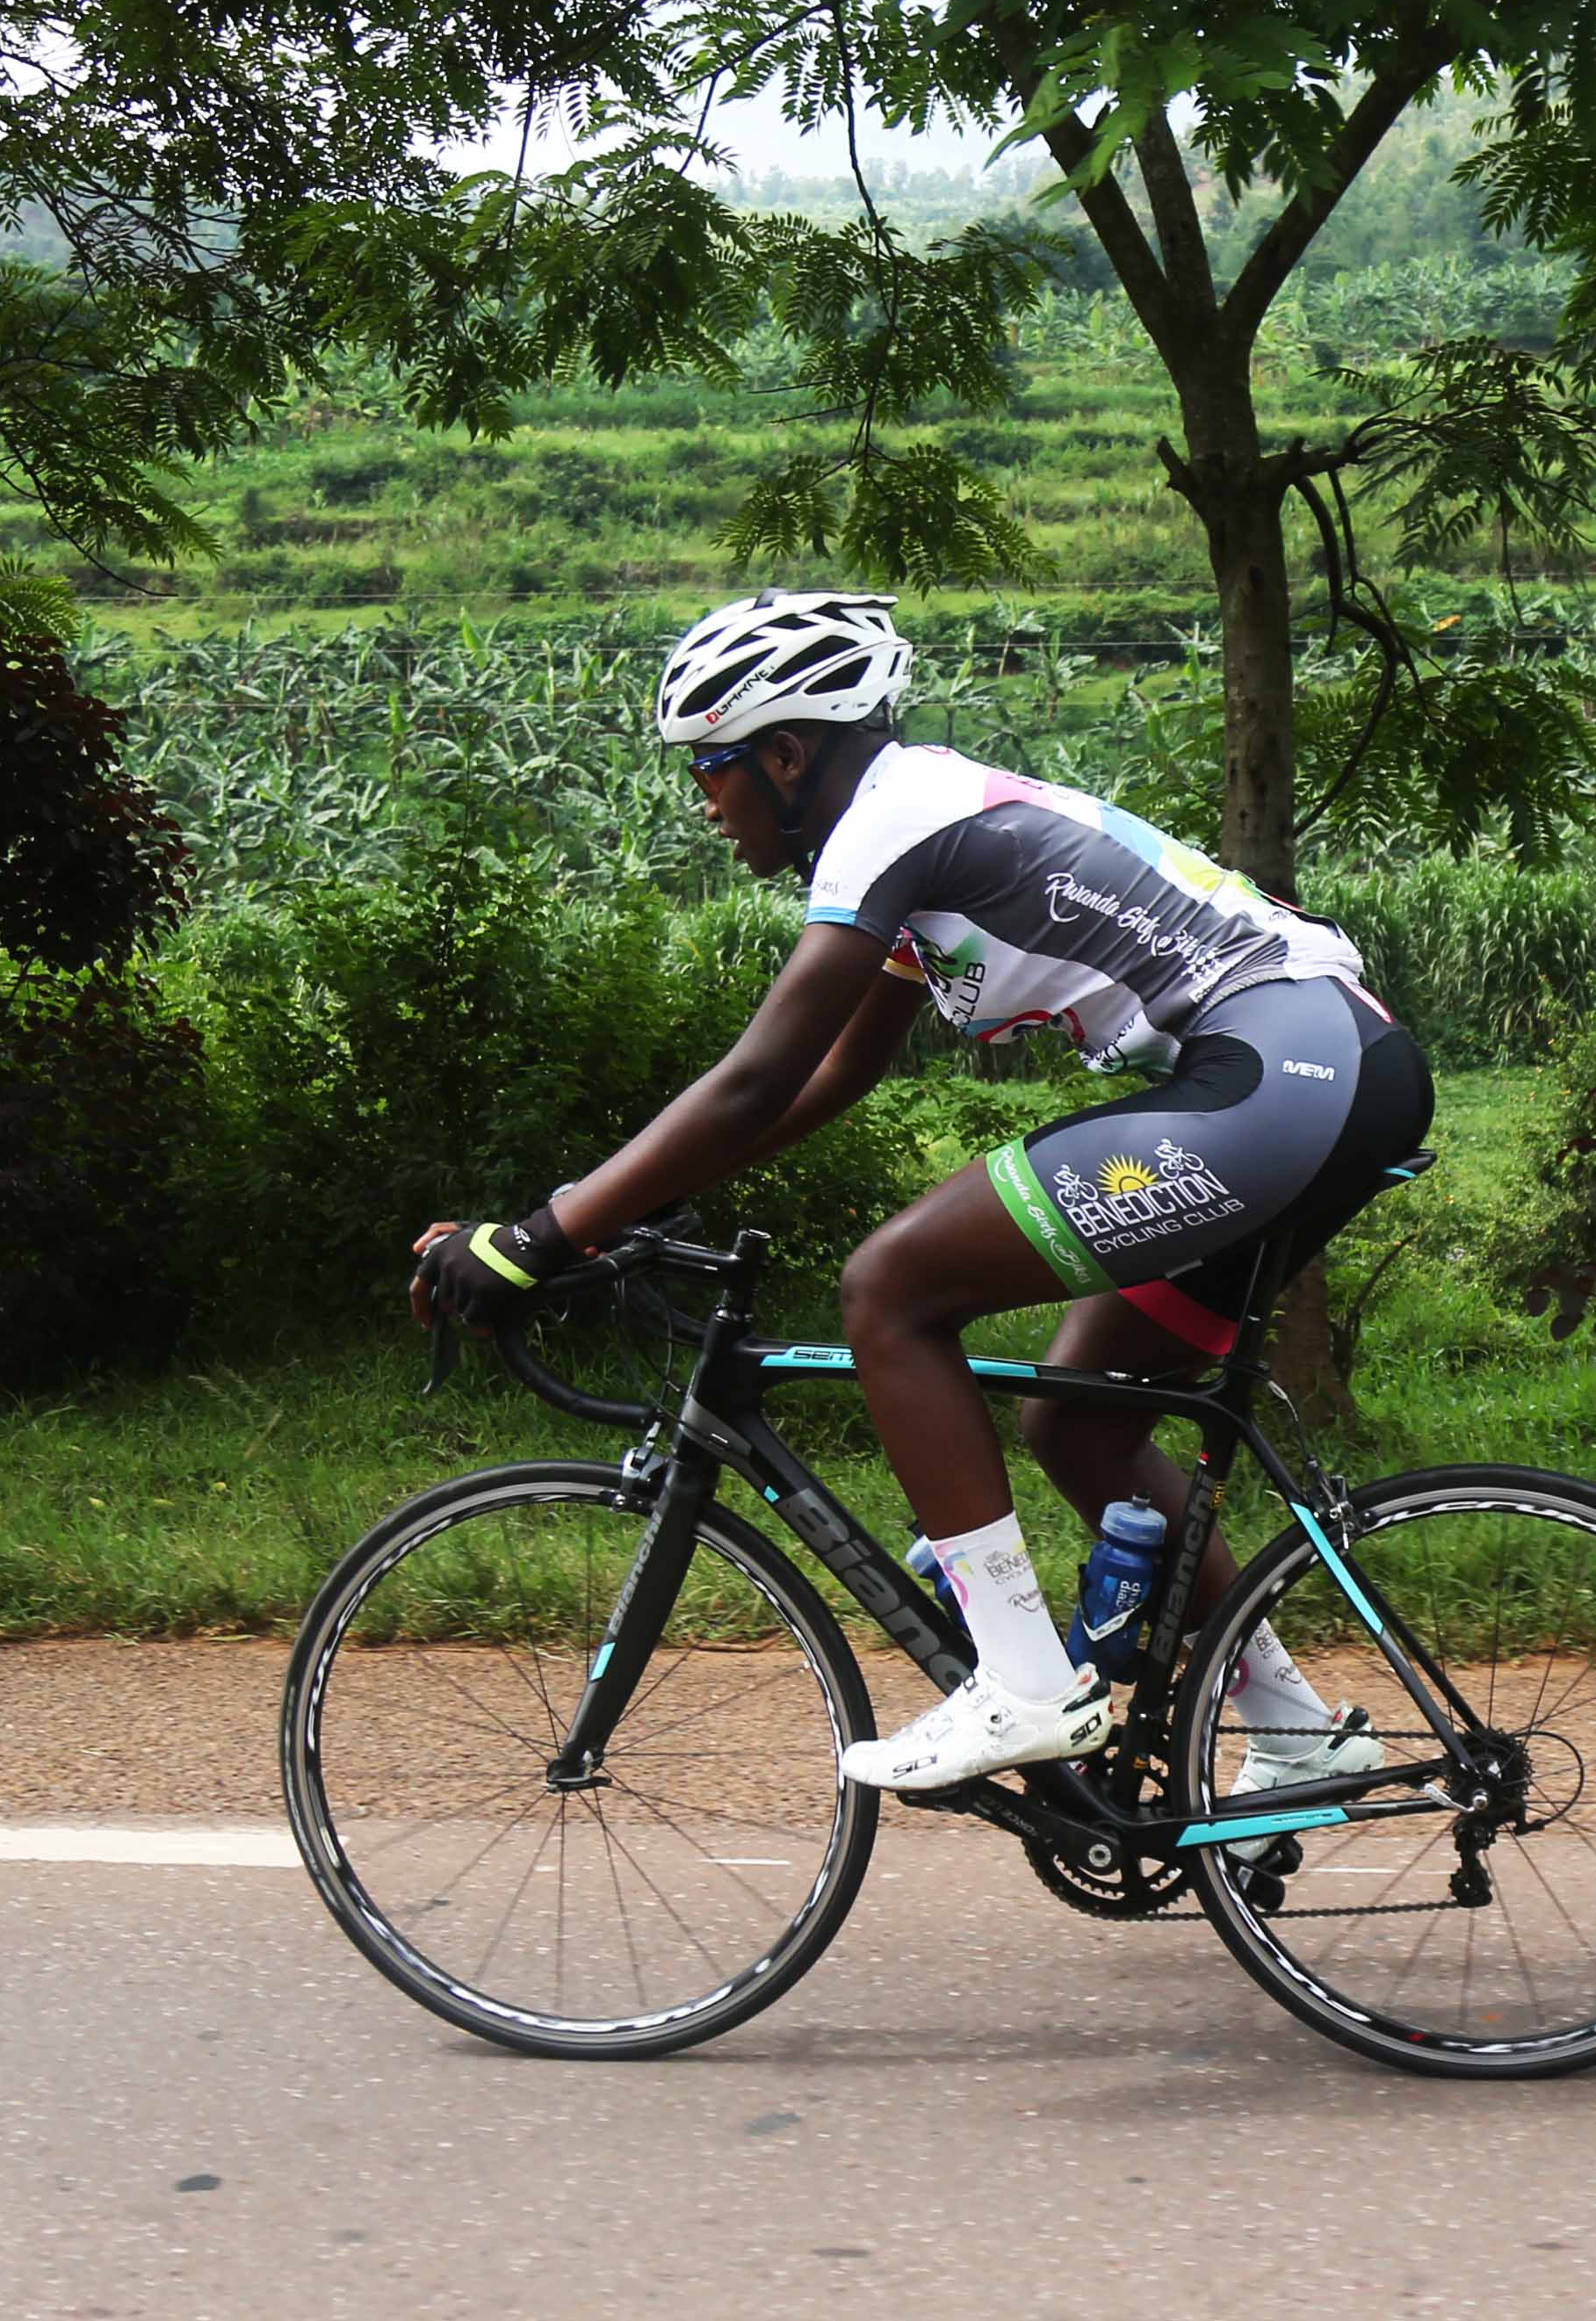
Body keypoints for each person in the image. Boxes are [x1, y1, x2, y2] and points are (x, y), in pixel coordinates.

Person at [406, 589, 1433, 1795]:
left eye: (712, 768)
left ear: (787, 756)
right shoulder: (918, 826)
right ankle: (1300, 1736)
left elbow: (754, 1080)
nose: (705, 802)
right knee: (1078, 1422)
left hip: (1283, 1072)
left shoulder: (892, 819)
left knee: (890, 1288)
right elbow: (830, 1079)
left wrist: (537, 1236)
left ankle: (1024, 1684)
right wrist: (601, 1212)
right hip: (1324, 1073)